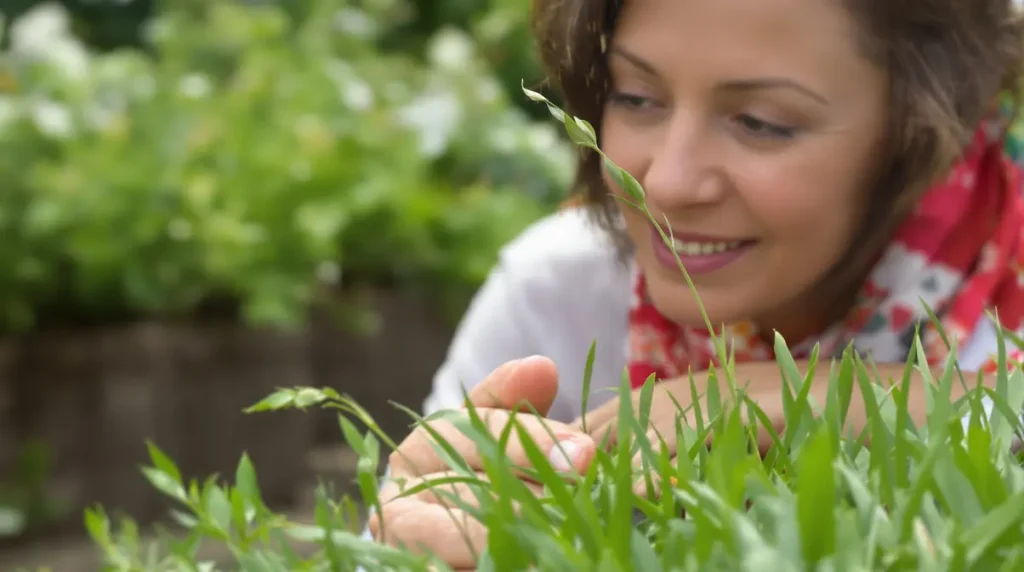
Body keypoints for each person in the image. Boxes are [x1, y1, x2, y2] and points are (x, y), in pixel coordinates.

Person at [367, 0, 1024, 567]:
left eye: (762, 121)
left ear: (923, 129)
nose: (666, 184)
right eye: (635, 97)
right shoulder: (565, 291)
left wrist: (863, 400)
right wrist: (416, 533)